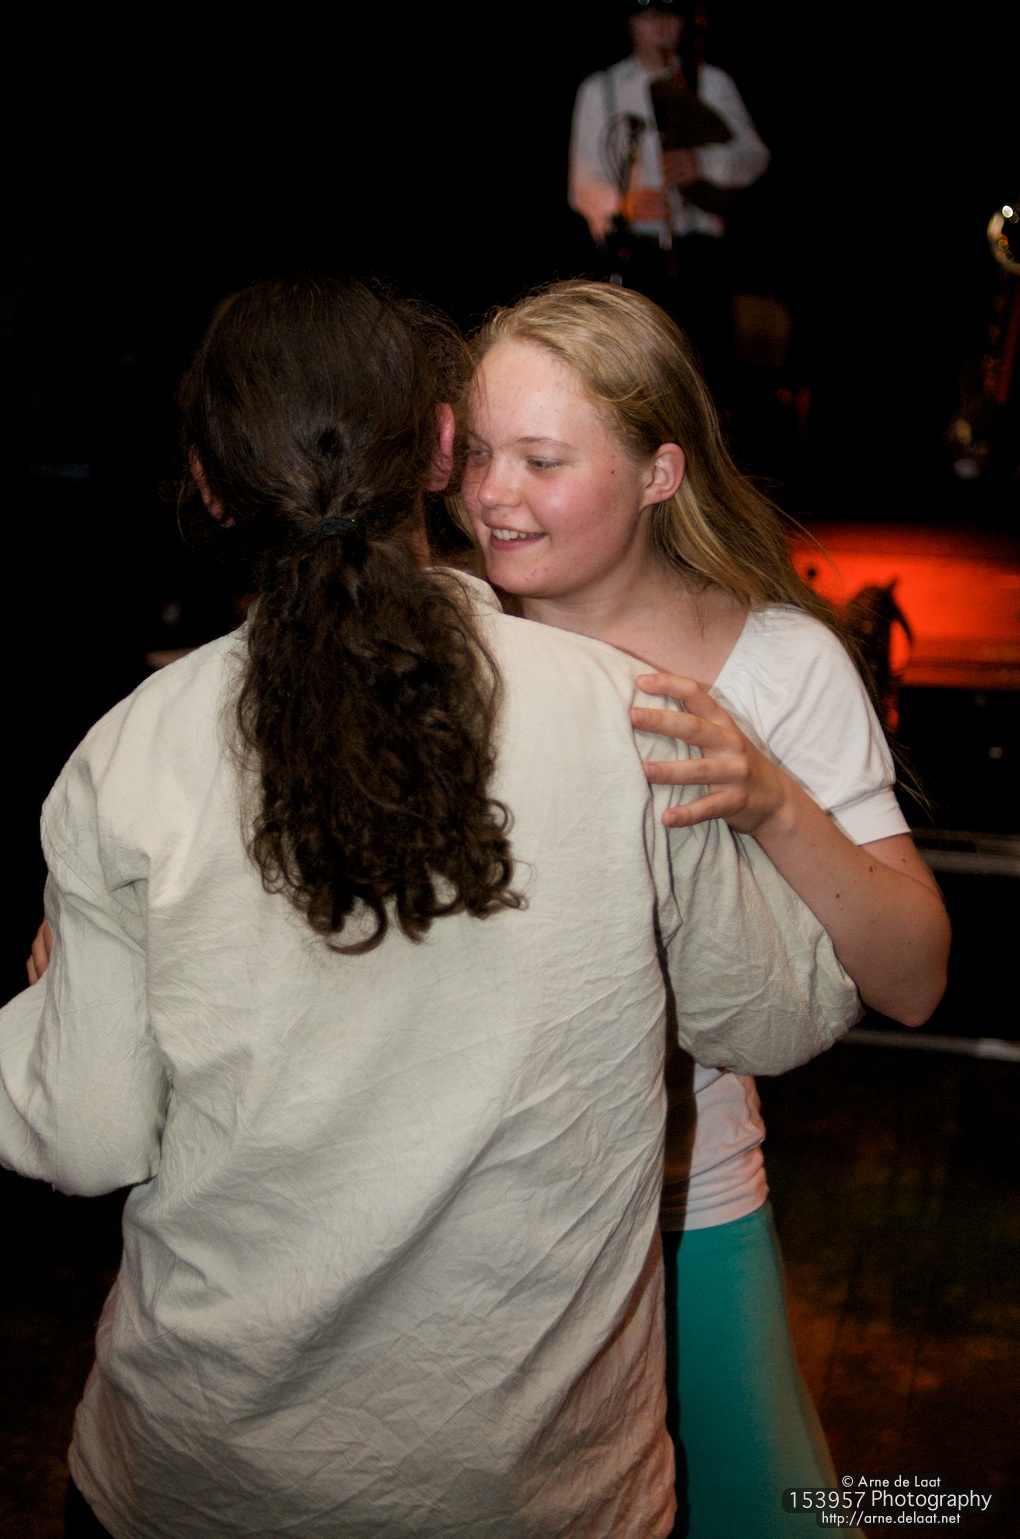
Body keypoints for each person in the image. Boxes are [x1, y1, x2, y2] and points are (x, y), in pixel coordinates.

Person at [0, 274, 861, 1539]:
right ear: (445, 449)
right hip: (542, 1488)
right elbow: (777, 1020)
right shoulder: (621, 712)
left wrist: (52, 1002)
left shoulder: (128, 757)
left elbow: (81, 1139)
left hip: (204, 1477)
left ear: (210, 485)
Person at [457, 278, 952, 1539]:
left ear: (660, 472)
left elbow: (914, 980)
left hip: (686, 1211)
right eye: (477, 454)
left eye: (542, 461)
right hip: (450, 1220)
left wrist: (771, 798)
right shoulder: (439, 649)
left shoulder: (780, 664)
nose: (492, 494)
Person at [569, 0, 769, 391]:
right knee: (636, 378)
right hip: (634, 256)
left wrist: (702, 163)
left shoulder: (710, 82)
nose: (661, 26)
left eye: (671, 16)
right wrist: (623, 203)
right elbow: (582, 180)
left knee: (703, 375)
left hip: (700, 255)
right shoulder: (601, 88)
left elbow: (754, 155)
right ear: (630, 22)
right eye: (649, 16)